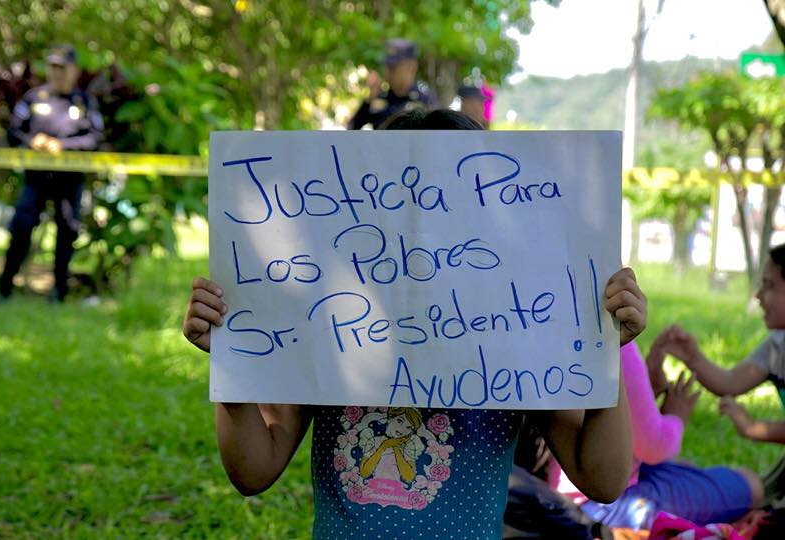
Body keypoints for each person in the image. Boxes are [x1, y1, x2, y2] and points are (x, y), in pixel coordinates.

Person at [183, 109, 647, 539]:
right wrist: (233, 361)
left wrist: (605, 349)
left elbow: (603, 479)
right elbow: (253, 471)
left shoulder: (518, 340)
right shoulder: (324, 330)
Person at [551, 341, 764, 529]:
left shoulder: (549, 333)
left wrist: (647, 391)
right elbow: (654, 447)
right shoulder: (612, 340)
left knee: (686, 467)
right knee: (751, 484)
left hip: (551, 490)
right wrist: (676, 416)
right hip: (598, 504)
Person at [655, 243, 785, 502]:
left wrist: (753, 427)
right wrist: (693, 357)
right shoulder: (777, 345)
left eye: (769, 285)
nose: (759, 295)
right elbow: (731, 382)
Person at [0, 44, 103, 302]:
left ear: (74, 70)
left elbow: (95, 138)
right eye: (53, 67)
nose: (57, 73)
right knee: (22, 227)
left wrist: (63, 146)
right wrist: (32, 141)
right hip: (36, 177)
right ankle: (4, 288)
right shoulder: (34, 98)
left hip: (69, 180)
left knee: (67, 231)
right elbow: (14, 131)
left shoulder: (84, 102)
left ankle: (59, 293)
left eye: (62, 67)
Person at [347, 39, 435, 130]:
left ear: (412, 66)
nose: (387, 72)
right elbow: (352, 129)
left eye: (393, 67)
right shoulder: (379, 99)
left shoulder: (425, 100)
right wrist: (368, 102)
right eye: (386, 66)